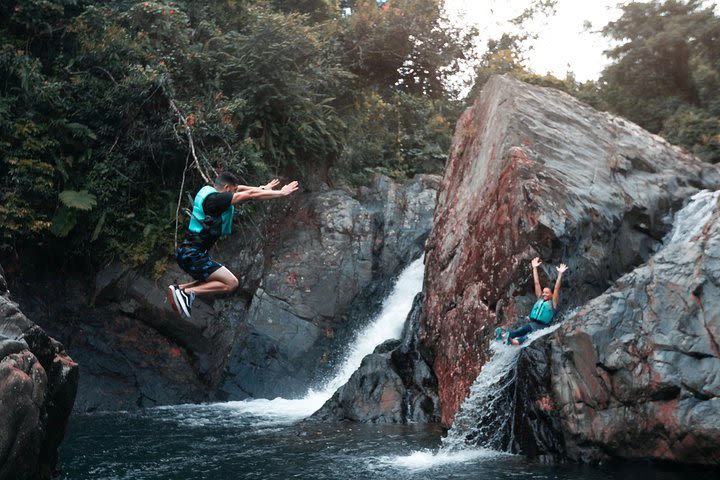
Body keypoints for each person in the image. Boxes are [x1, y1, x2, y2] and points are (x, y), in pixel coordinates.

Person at [168, 172, 299, 317]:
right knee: (231, 283)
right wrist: (280, 193)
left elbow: (241, 189)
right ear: (225, 187)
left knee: (212, 281)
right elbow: (249, 194)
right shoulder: (217, 200)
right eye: (233, 191)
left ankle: (179, 289)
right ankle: (186, 292)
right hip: (194, 257)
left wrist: (262, 188)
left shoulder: (209, 191)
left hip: (186, 253)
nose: (235, 193)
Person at [503, 257, 568, 345]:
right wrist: (534, 268)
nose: (544, 294)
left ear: (551, 295)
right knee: (522, 329)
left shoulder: (553, 303)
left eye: (546, 293)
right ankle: (504, 336)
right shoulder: (540, 299)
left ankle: (514, 342)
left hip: (542, 327)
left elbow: (556, 288)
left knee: (528, 336)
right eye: (543, 292)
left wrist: (560, 273)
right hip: (532, 324)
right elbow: (537, 283)